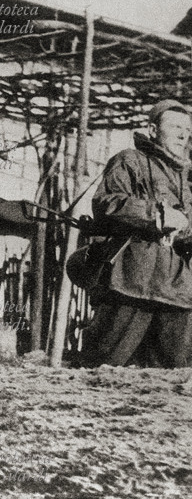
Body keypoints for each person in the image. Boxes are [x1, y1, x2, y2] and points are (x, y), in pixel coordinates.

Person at [83, 100, 192, 368]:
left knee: (175, 375)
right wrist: (157, 215)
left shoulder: (184, 178)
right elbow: (106, 204)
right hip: (131, 282)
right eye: (176, 127)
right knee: (106, 366)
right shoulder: (130, 161)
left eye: (188, 130)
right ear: (153, 130)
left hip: (175, 290)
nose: (184, 135)